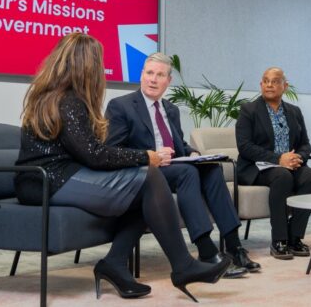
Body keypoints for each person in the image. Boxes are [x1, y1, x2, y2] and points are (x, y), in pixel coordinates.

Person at [14, 33, 229, 302]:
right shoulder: (67, 101)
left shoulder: (59, 96)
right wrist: (145, 157)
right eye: (98, 62)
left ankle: (114, 263)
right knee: (148, 178)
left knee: (142, 189)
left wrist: (139, 160)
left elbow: (88, 151)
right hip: (48, 180)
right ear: (85, 65)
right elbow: (93, 154)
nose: (100, 69)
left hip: (61, 175)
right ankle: (183, 266)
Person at [105, 52, 261, 278]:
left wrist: (193, 152)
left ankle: (234, 246)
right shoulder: (122, 106)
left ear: (168, 81)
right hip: (144, 171)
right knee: (188, 173)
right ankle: (207, 251)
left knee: (212, 170)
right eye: (149, 73)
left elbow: (178, 143)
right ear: (141, 76)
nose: (153, 79)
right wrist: (150, 155)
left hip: (173, 167)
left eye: (160, 75)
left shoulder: (171, 109)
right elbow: (112, 149)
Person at [235, 67, 311, 260]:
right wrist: (278, 159)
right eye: (266, 81)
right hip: (258, 167)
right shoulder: (249, 110)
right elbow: (244, 146)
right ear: (261, 85)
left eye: (275, 81)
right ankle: (279, 240)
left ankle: (295, 237)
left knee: (310, 176)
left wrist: (299, 158)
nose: (270, 85)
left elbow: (305, 143)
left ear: (285, 86)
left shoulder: (294, 112)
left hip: (289, 165)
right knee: (282, 176)